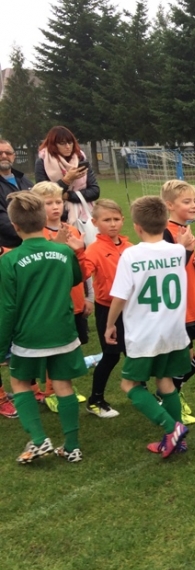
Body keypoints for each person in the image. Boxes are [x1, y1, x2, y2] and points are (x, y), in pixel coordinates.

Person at [0, 191, 87, 464]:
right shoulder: (63, 250)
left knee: (20, 383)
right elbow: (76, 278)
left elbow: (7, 308)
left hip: (29, 336)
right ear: (44, 221)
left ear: (14, 226)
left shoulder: (8, 261)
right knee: (63, 384)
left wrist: (2, 345)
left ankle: (39, 440)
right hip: (63, 331)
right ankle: (72, 446)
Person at [104, 196, 192, 459]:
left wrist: (110, 324)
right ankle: (176, 441)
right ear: (166, 222)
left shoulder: (131, 254)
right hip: (173, 331)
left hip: (145, 333)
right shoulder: (177, 251)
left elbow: (120, 295)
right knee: (165, 381)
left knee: (129, 385)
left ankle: (171, 427)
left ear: (137, 226)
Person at [32, 181, 91, 410]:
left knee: (71, 347)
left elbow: (84, 269)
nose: (55, 207)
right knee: (53, 349)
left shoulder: (73, 230)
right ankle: (50, 391)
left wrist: (89, 297)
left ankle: (64, 386)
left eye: (58, 201)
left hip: (76, 300)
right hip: (54, 304)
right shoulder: (38, 235)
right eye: (48, 203)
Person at [161, 179, 195, 424]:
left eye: (194, 201)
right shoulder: (165, 232)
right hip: (179, 310)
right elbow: (166, 271)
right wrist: (184, 252)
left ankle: (171, 390)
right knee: (181, 360)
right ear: (169, 205)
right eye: (187, 202)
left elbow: (183, 264)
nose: (193, 206)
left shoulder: (184, 230)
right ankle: (172, 396)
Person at [81, 199, 132, 419]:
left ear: (123, 220)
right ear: (95, 222)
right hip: (108, 310)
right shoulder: (94, 250)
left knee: (135, 352)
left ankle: (139, 390)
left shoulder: (130, 247)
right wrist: (76, 254)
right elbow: (82, 274)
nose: (112, 224)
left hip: (132, 310)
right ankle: (95, 400)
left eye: (116, 219)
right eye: (106, 220)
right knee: (111, 356)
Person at [35, 126, 100, 244]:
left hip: (84, 216)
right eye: (62, 143)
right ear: (53, 145)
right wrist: (66, 180)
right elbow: (42, 193)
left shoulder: (81, 160)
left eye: (70, 142)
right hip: (57, 218)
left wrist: (68, 196)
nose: (68, 146)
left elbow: (95, 191)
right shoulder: (43, 162)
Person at [0, 137, 33, 248]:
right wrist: (28, 233)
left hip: (30, 242)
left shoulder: (24, 180)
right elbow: (2, 219)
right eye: (0, 153)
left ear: (13, 156)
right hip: (8, 247)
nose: (4, 156)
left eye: (8, 153)